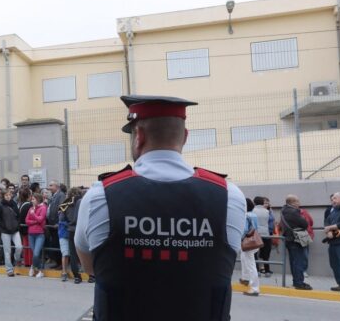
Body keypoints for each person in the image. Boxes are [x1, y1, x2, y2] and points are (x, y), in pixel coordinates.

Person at [74, 95, 246, 321]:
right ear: (185, 137)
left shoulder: (99, 195)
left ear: (139, 137)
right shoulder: (229, 196)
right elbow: (219, 264)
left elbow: (91, 266)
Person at [280, 194, 312, 290]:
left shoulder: (284, 210)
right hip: (295, 239)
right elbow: (304, 223)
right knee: (298, 262)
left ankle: (296, 281)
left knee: (294, 262)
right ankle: (299, 283)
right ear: (293, 203)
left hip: (289, 239)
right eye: (297, 201)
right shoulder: (293, 211)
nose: (299, 203)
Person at [0, 187, 23, 277]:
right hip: (5, 232)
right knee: (7, 251)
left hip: (15, 231)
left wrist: (17, 226)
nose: (8, 196)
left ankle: (16, 258)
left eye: (9, 195)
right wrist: (4, 227)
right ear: (3, 196)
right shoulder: (0, 206)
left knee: (19, 247)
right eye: (6, 195)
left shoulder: (14, 204)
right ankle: (9, 270)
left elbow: (19, 217)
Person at [62, 187, 84, 283]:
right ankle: (91, 276)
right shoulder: (82, 201)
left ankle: (77, 277)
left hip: (70, 229)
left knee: (73, 254)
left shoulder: (66, 202)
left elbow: (61, 218)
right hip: (81, 229)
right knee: (85, 252)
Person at [240, 198, 260, 296]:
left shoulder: (245, 216)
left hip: (247, 242)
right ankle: (246, 279)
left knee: (250, 265)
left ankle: (254, 288)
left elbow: (244, 230)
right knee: (245, 260)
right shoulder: (254, 215)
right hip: (254, 241)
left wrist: (240, 239)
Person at [26, 192, 47, 278]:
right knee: (34, 253)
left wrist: (33, 214)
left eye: (33, 199)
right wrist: (35, 221)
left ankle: (37, 269)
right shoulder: (31, 208)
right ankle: (35, 268)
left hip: (39, 234)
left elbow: (40, 219)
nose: (32, 200)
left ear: (38, 200)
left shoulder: (43, 208)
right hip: (31, 234)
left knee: (36, 253)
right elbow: (27, 221)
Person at [46, 180, 64, 270]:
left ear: (56, 186)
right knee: (54, 244)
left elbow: (62, 210)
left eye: (51, 185)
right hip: (51, 225)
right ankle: (57, 262)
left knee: (57, 244)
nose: (49, 187)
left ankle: (61, 264)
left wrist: (58, 222)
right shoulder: (53, 196)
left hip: (57, 225)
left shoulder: (61, 195)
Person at [252, 196, 273, 277]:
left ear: (255, 203)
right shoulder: (267, 211)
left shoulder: (253, 211)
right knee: (265, 254)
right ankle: (267, 271)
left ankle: (257, 272)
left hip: (256, 234)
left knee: (255, 254)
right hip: (266, 234)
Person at [18, 188, 33, 268]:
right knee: (29, 246)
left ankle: (27, 261)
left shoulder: (22, 204)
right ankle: (30, 262)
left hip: (23, 229)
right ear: (28, 196)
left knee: (26, 246)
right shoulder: (29, 205)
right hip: (27, 229)